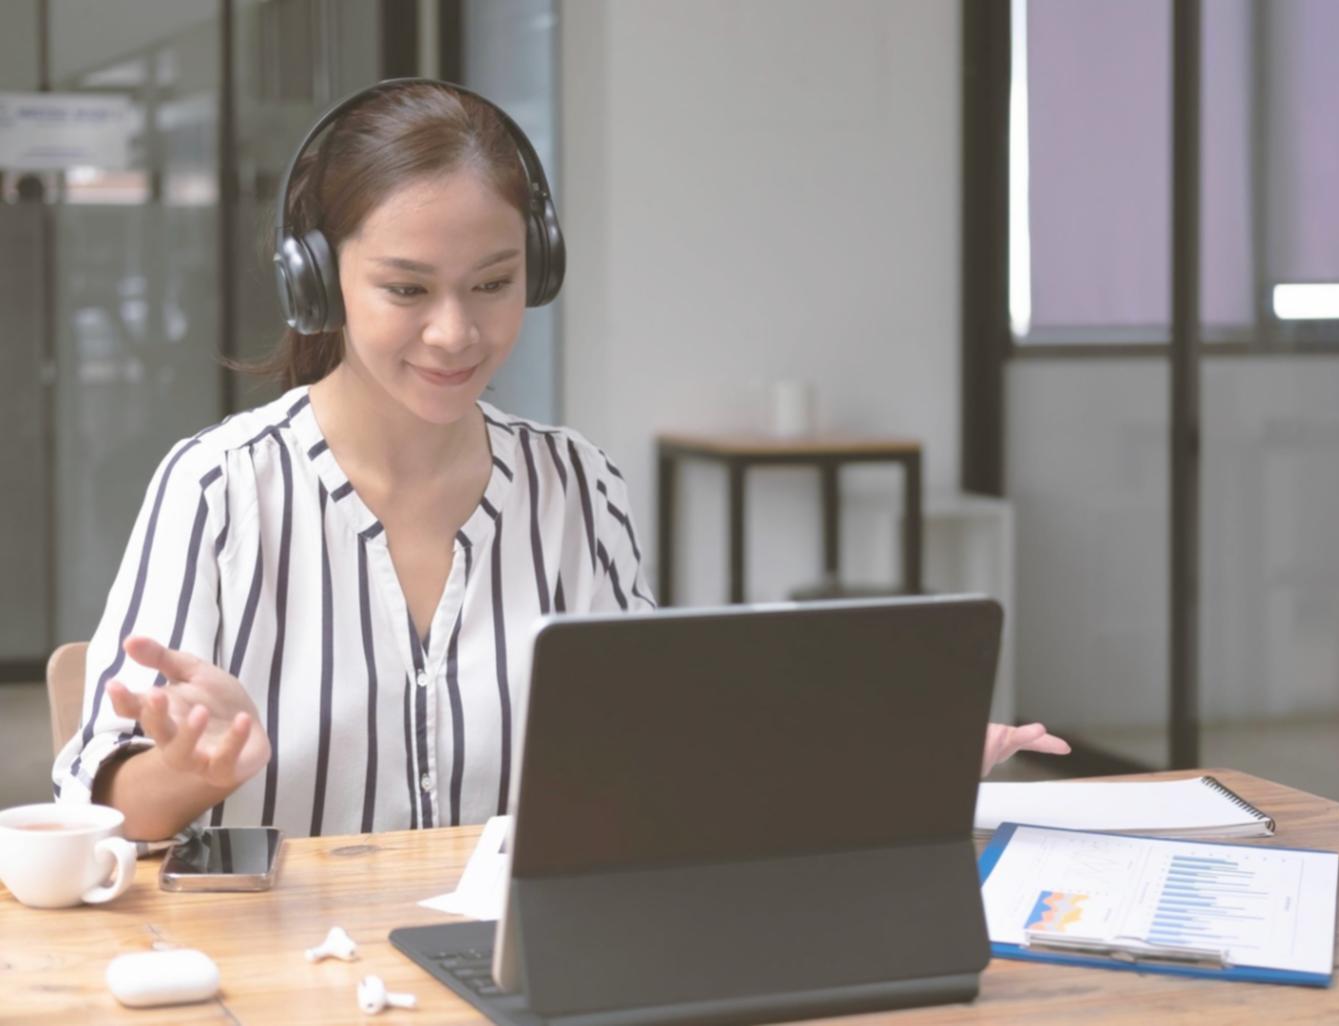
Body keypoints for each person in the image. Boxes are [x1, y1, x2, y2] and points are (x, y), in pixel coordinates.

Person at [52, 80, 1068, 842]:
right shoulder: (223, 488)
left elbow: (659, 749)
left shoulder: (576, 486)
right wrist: (190, 770)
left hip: (518, 967)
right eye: (406, 290)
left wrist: (881, 762)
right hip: (293, 974)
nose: (457, 334)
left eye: (493, 284)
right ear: (317, 284)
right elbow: (91, 792)